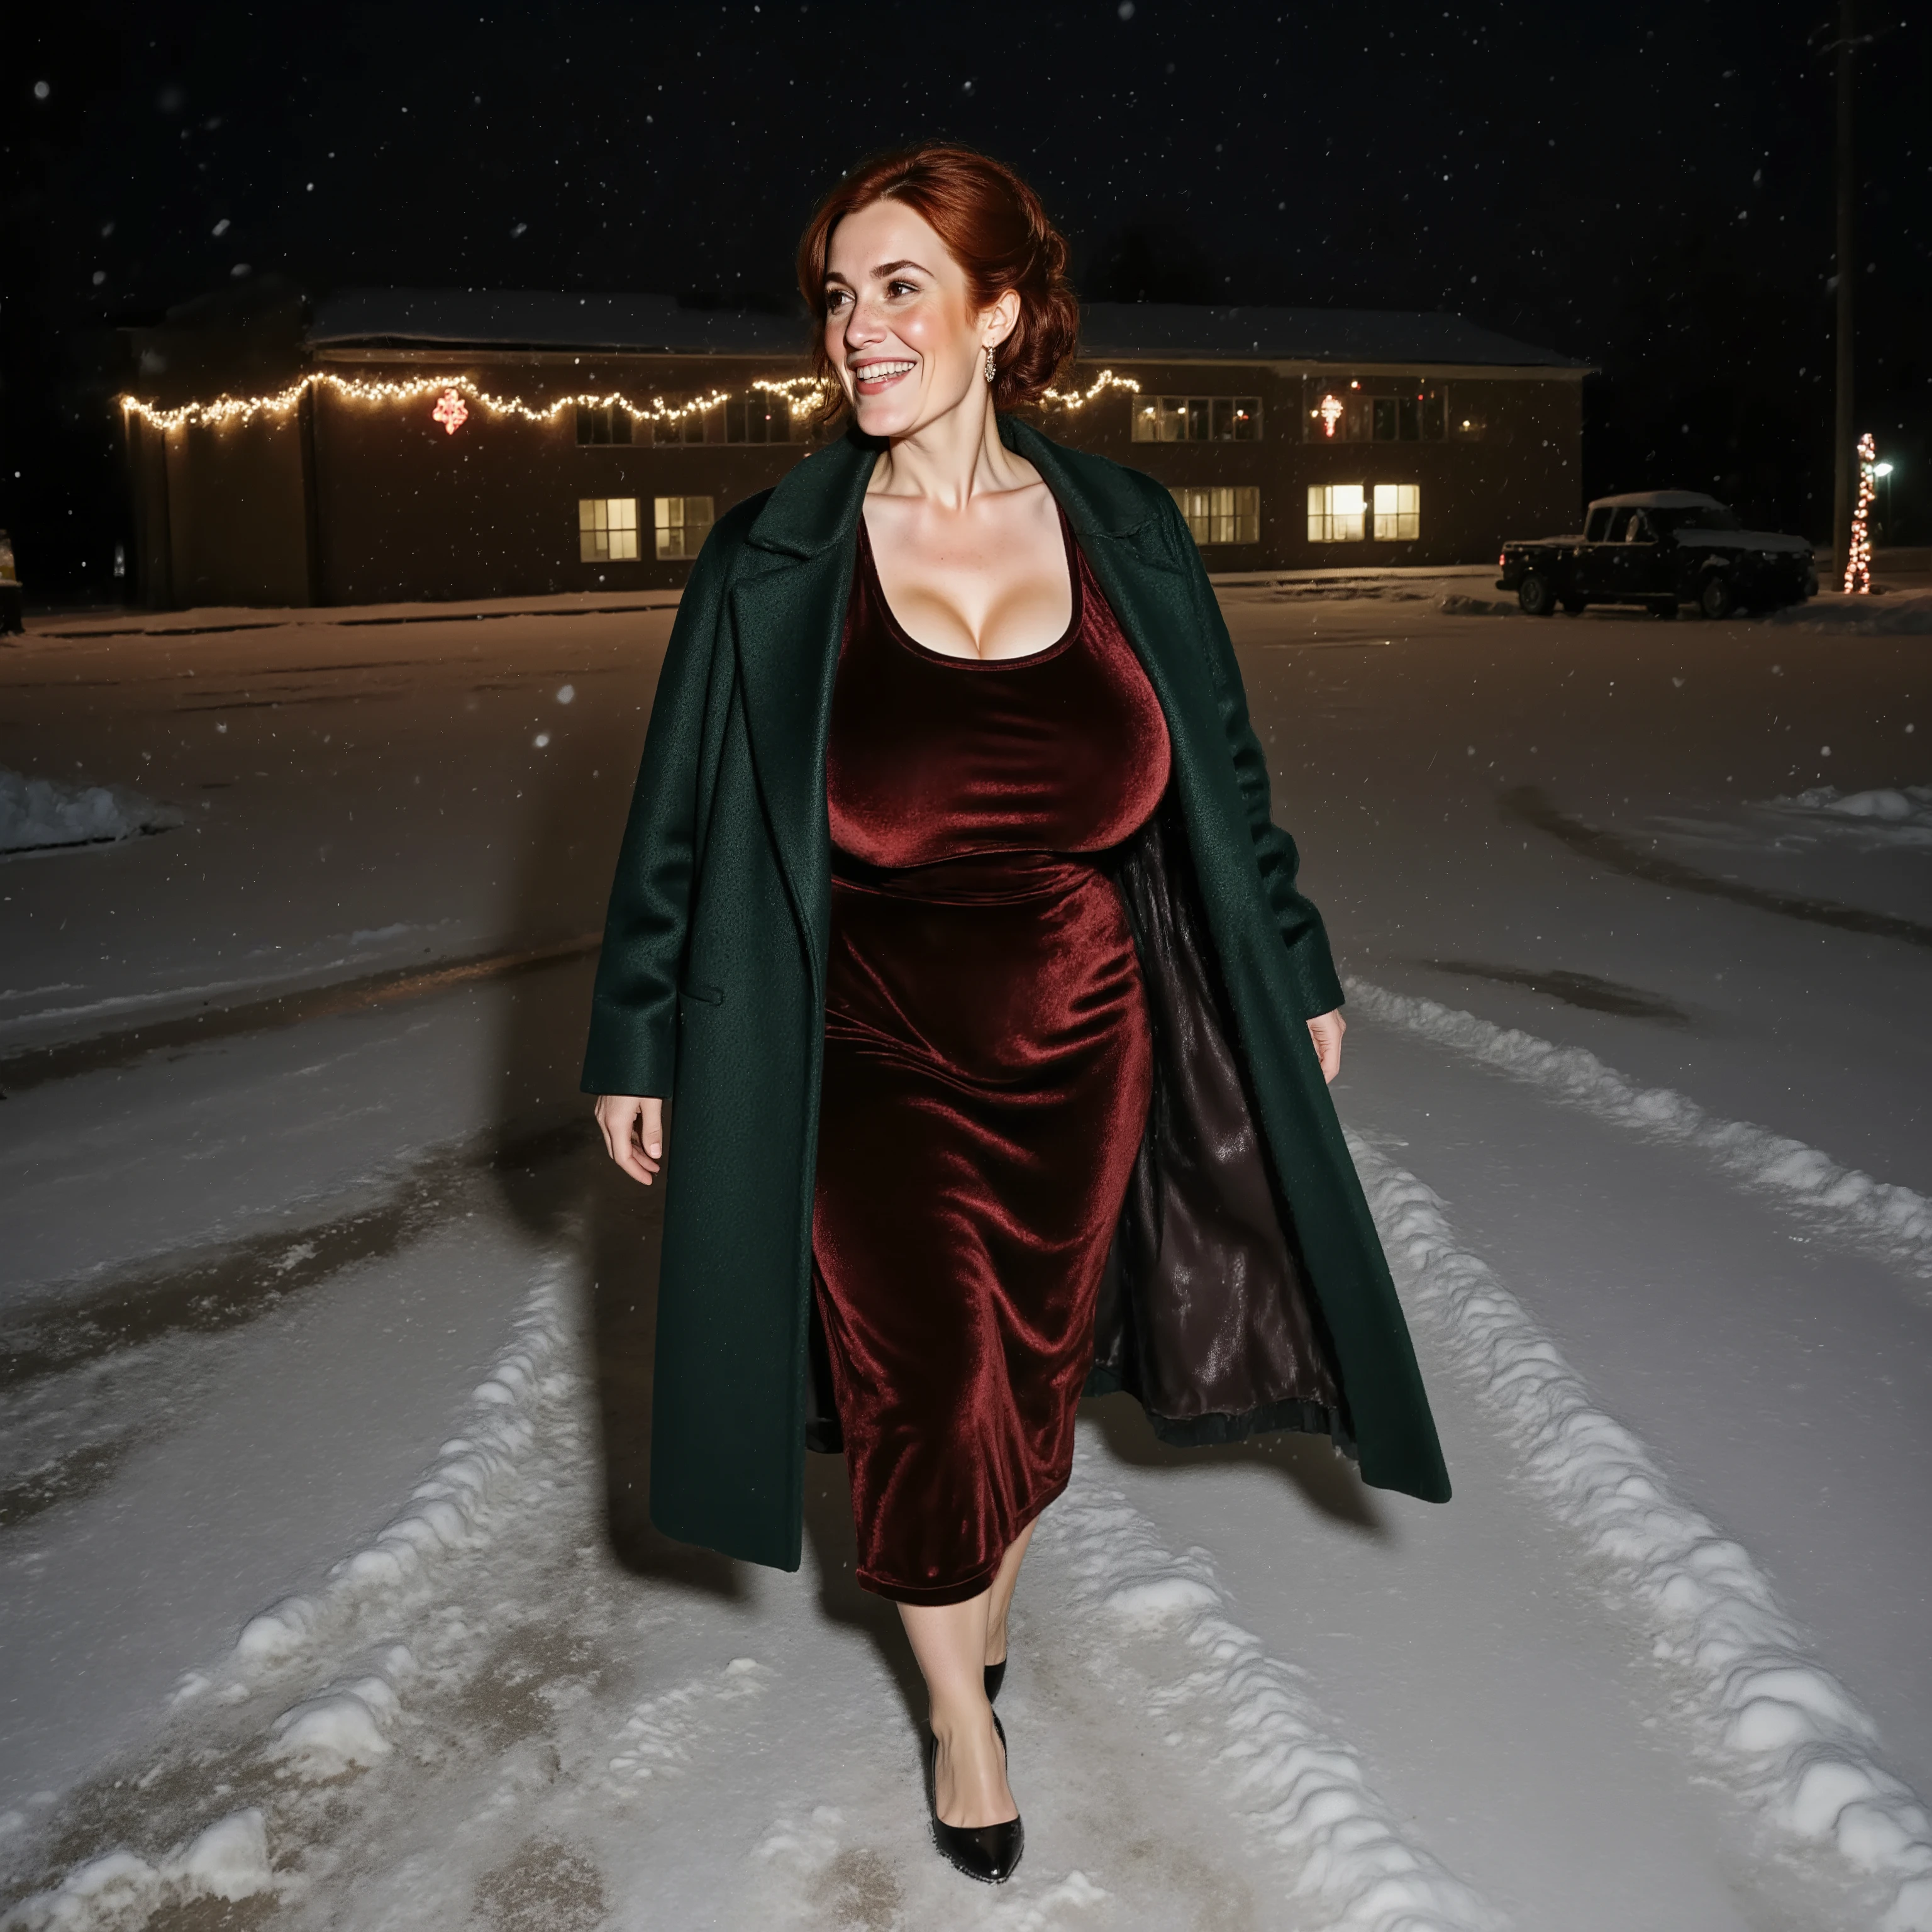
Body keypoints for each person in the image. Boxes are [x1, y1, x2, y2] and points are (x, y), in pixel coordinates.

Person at [584, 142, 1449, 1887]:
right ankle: (961, 1718)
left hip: (1087, 1028)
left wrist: (1291, 964)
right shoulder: (775, 557)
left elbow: (1226, 780)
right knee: (928, 1381)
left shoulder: (1126, 529)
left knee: (1032, 1380)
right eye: (838, 294)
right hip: (861, 1030)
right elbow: (672, 818)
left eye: (901, 286)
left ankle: (975, 1594)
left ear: (999, 311)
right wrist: (641, 1034)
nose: (858, 325)